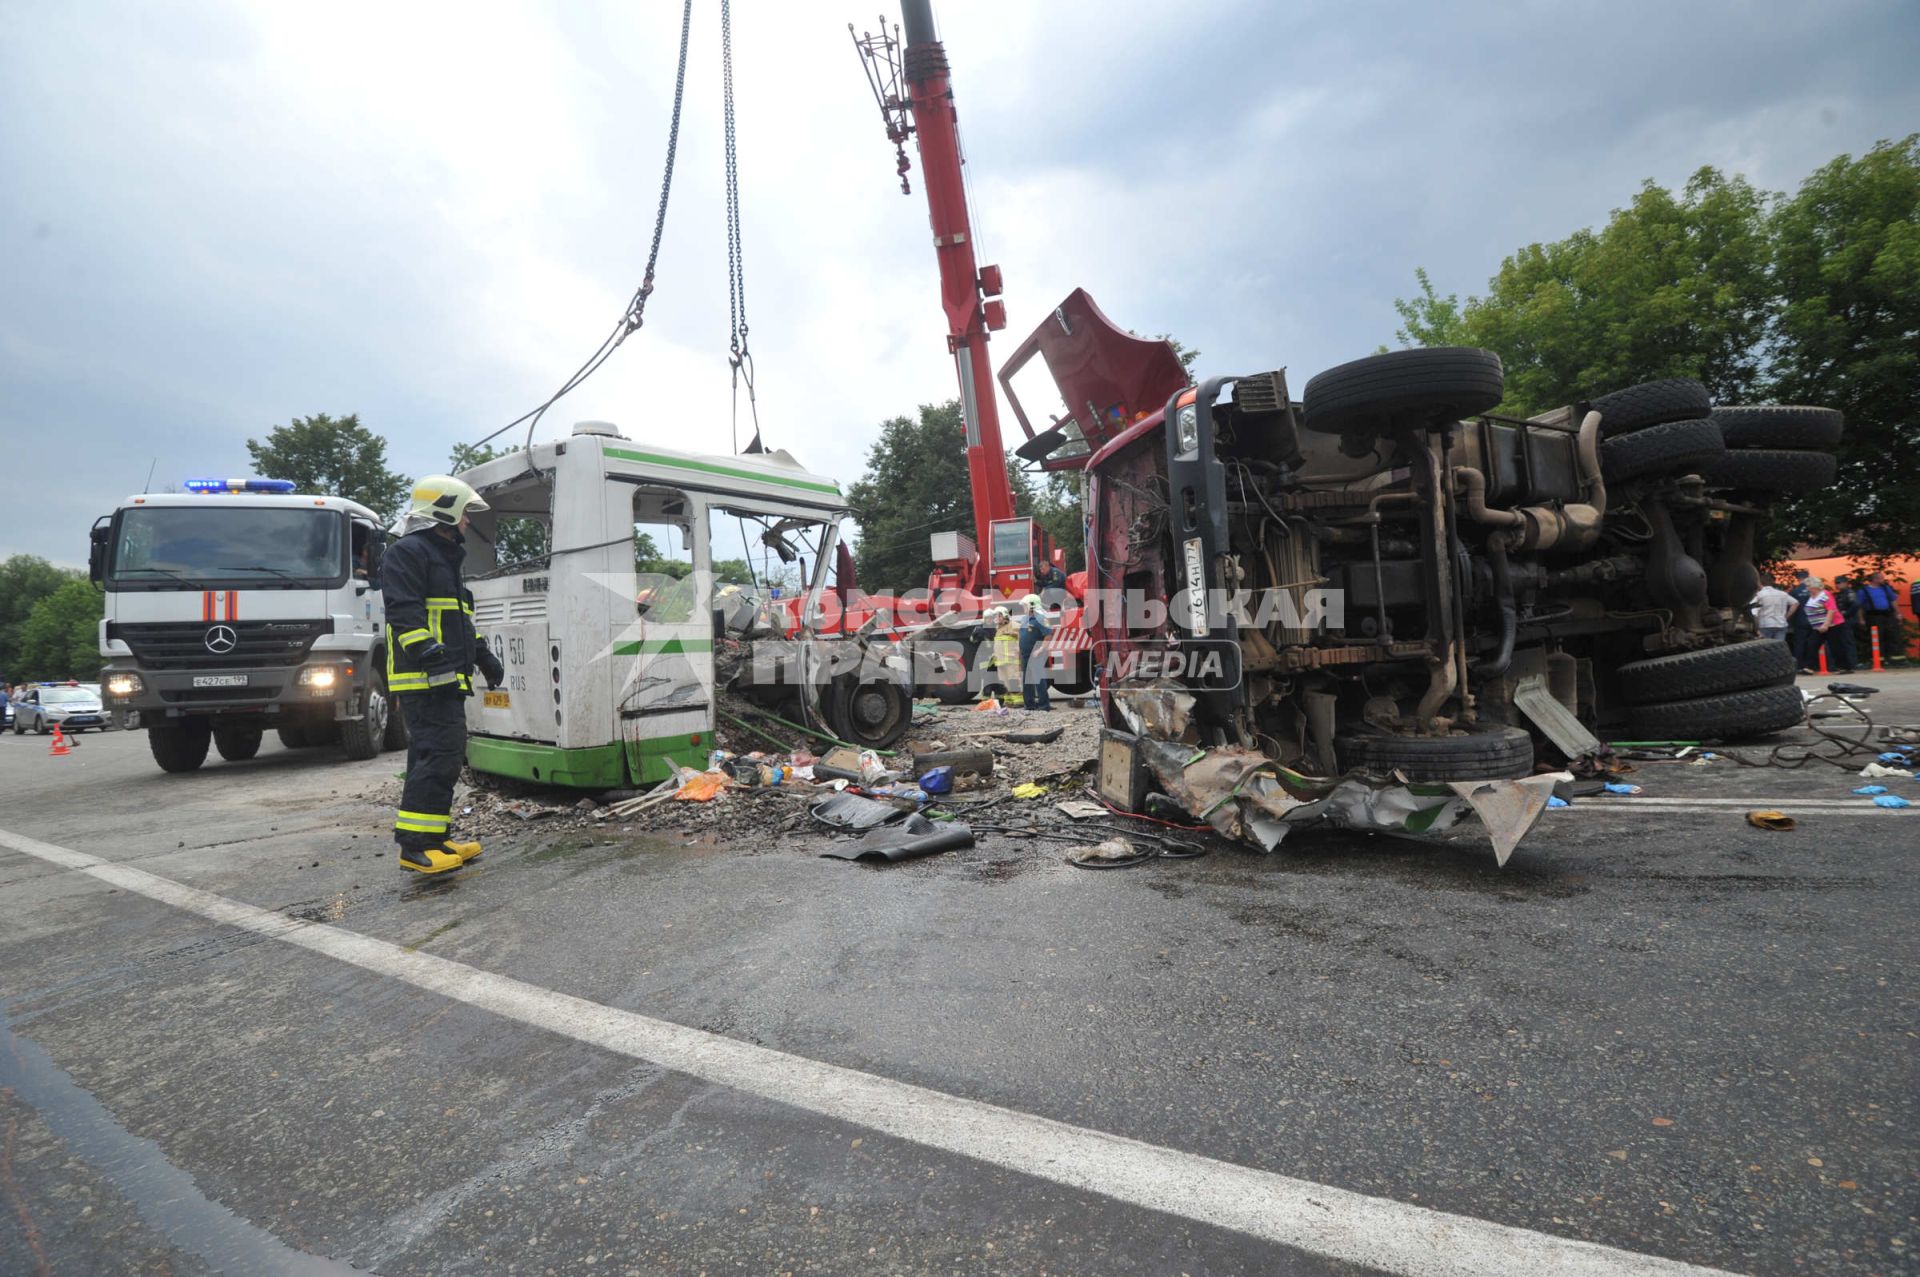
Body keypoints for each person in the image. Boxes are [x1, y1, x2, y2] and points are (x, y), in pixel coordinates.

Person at [384, 474, 506, 875]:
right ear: (444, 510)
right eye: (465, 514)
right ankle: (415, 847)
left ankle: (436, 837)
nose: (468, 522)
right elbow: (404, 614)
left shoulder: (445, 557)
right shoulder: (408, 552)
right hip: (424, 679)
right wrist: (433, 658)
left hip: (446, 678)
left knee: (442, 757)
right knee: (437, 757)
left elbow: (461, 621)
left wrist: (483, 656)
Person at [1857, 570, 1905, 664]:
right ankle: (1878, 660)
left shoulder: (1886, 588)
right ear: (1874, 579)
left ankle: (1896, 659)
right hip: (1873, 616)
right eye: (1881, 578)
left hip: (1887, 615)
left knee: (1893, 636)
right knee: (1877, 638)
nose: (1883, 579)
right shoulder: (1864, 591)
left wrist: (1898, 613)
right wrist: (1861, 619)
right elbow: (1859, 606)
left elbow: (1893, 601)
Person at [1017, 593, 1054, 712]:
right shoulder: (1024, 619)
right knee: (1026, 681)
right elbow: (1021, 636)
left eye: (1025, 605)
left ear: (1032, 606)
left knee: (1039, 680)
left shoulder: (1041, 619)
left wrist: (1040, 649)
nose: (1023, 607)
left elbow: (1048, 635)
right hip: (1025, 655)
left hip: (1035, 654)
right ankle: (1029, 705)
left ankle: (1044, 706)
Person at [1798, 576, 1837, 674]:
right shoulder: (1811, 596)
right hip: (1816, 626)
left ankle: (1838, 666)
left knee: (1834, 646)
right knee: (1812, 645)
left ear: (1814, 586)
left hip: (1828, 626)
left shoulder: (1824, 595)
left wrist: (1826, 625)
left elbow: (1831, 610)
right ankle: (1809, 667)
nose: (1807, 589)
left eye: (1808, 586)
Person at [1826, 575, 1860, 674]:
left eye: (1839, 583)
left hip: (1847, 621)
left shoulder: (1849, 593)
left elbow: (1856, 605)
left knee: (1848, 642)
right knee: (1842, 642)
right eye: (1836, 583)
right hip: (1841, 621)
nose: (1837, 585)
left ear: (1846, 583)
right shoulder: (1840, 594)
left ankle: (1852, 663)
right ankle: (1846, 663)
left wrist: (1846, 613)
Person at [989, 606, 1020, 702]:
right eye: (995, 616)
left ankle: (1018, 701)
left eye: (998, 615)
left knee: (1014, 681)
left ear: (1004, 615)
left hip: (1011, 660)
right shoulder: (998, 629)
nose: (996, 618)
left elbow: (1022, 638)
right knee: (1004, 684)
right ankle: (1009, 701)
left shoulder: (1014, 625)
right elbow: (998, 644)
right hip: (1000, 662)